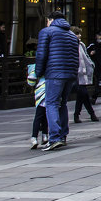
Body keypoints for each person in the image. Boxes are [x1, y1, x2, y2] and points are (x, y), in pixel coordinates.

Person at [34, 13, 80, 150]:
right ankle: (63, 135)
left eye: (47, 20)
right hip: (70, 74)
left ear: (51, 20)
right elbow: (75, 55)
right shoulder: (72, 35)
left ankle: (54, 137)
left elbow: (41, 54)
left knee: (51, 103)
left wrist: (38, 72)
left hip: (54, 73)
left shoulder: (46, 32)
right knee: (63, 103)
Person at [72, 26, 98, 123]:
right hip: (76, 74)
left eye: (79, 33)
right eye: (77, 33)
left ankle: (78, 115)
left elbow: (86, 56)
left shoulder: (81, 45)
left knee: (82, 95)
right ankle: (91, 114)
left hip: (83, 74)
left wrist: (91, 64)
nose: (79, 35)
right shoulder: (71, 45)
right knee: (84, 94)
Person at [26, 64, 48, 148]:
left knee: (38, 116)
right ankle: (45, 135)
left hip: (41, 92)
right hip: (51, 90)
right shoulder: (50, 63)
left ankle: (34, 137)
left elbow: (31, 81)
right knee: (45, 115)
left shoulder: (36, 65)